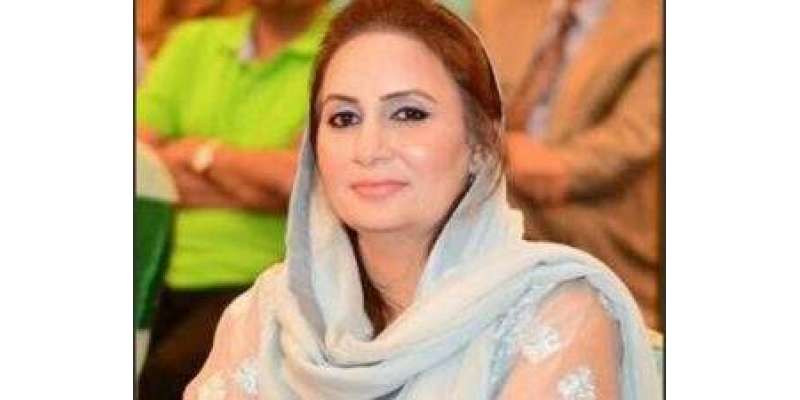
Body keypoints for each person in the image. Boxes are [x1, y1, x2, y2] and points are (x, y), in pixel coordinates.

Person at [185, 0, 659, 398]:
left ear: (482, 143)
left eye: (409, 114)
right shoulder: (272, 312)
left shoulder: (555, 310)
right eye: (343, 118)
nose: (369, 149)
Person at [135, 0, 331, 398]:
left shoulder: (345, 50)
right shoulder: (193, 42)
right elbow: (140, 165)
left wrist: (200, 153)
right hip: (151, 263)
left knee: (166, 377)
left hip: (265, 277)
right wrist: (259, 184)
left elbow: (303, 181)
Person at [474, 0, 664, 329]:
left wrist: (534, 163)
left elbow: (633, 139)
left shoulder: (655, 23)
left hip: (597, 215)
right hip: (501, 176)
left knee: (463, 201)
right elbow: (461, 99)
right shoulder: (498, 9)